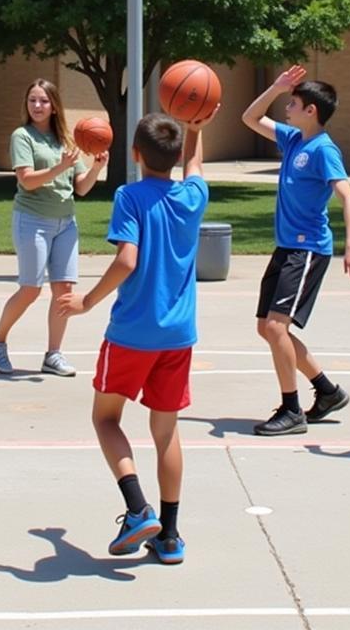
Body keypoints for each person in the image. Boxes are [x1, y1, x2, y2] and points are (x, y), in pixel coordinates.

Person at [59, 110, 213, 565]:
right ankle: (169, 536)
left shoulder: (129, 196)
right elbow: (196, 168)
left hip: (131, 333)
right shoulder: (192, 196)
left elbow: (127, 260)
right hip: (178, 335)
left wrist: (86, 302)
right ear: (177, 153)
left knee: (106, 420)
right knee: (165, 433)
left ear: (135, 154)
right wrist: (196, 128)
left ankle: (135, 507)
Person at [241, 65, 350, 436]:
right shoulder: (294, 139)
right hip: (286, 248)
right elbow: (249, 117)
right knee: (267, 328)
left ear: (311, 110)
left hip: (307, 249)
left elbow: (349, 197)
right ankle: (327, 391)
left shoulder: (324, 150)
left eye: (293, 103)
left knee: (277, 327)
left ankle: (291, 409)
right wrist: (277, 88)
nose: (287, 108)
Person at [0, 78, 107, 377]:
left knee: (64, 291)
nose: (37, 106)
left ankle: (53, 355)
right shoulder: (22, 136)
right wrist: (59, 168)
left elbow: (81, 189)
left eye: (43, 101)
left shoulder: (65, 139)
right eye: (32, 100)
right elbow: (26, 180)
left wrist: (95, 168)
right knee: (30, 289)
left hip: (66, 223)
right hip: (33, 221)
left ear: (54, 106)